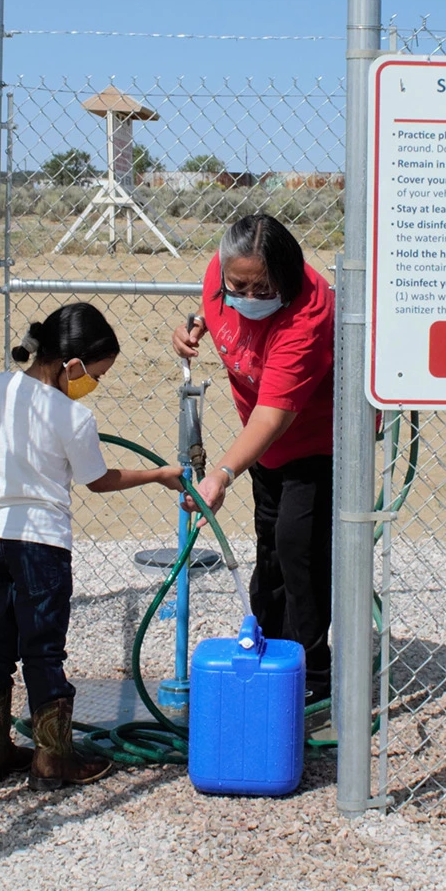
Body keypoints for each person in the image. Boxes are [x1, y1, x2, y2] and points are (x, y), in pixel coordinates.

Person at [0, 302, 183, 789]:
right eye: (97, 373)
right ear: (72, 365)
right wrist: (158, 475)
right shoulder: (73, 415)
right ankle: (52, 761)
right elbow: (98, 479)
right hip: (42, 545)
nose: (95, 383)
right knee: (43, 651)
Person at [173, 212, 338, 699]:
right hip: (261, 445)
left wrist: (222, 473)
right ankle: (268, 650)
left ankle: (314, 679)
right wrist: (194, 326)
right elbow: (211, 306)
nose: (247, 297)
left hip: (315, 439)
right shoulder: (223, 274)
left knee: (297, 548)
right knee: (269, 541)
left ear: (285, 276)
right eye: (237, 285)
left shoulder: (308, 314)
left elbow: (274, 415)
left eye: (262, 288)